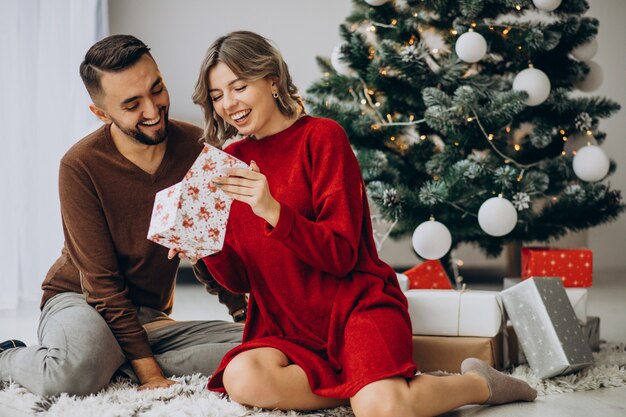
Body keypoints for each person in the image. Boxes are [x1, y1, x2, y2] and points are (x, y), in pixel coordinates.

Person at [185, 31, 537, 417]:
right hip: (285, 326)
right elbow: (241, 281)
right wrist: (201, 245)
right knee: (243, 379)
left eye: (238, 86)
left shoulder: (323, 137)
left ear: (271, 79)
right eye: (217, 95)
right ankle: (362, 388)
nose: (228, 104)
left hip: (356, 307)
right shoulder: (229, 161)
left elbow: (340, 255)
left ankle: (478, 383)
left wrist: (272, 209)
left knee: (384, 409)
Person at [0, 34, 246, 396]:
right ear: (101, 114)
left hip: (149, 317)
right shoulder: (80, 165)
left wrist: (243, 315)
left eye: (157, 89)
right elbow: (100, 283)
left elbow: (207, 246)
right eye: (132, 104)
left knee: (261, 346)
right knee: (73, 374)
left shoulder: (198, 149)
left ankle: (112, 361)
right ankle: (10, 358)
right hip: (80, 301)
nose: (153, 110)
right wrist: (149, 374)